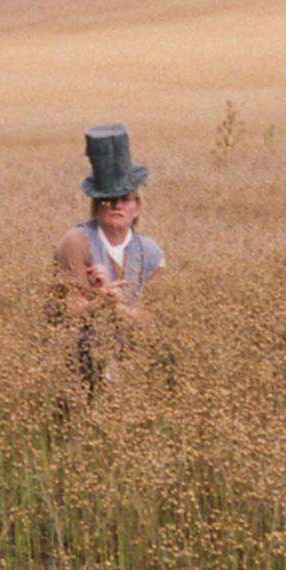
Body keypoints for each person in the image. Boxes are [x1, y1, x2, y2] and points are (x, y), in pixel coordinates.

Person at [53, 124, 165, 393]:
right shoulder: (76, 242)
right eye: (108, 199)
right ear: (96, 204)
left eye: (124, 198)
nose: (116, 205)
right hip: (82, 367)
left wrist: (115, 309)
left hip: (134, 362)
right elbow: (64, 314)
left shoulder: (151, 253)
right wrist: (100, 303)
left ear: (137, 207)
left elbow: (158, 319)